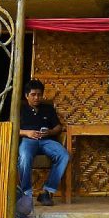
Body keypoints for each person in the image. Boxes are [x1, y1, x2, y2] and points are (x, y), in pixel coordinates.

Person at [18, 78, 70, 206]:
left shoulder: (48, 108)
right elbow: (13, 129)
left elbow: (58, 127)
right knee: (24, 157)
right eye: (33, 95)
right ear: (26, 96)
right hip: (28, 140)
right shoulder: (20, 109)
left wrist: (50, 132)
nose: (37, 98)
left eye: (39, 95)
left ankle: (46, 192)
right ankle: (26, 194)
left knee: (64, 155)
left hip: (46, 141)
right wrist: (27, 133)